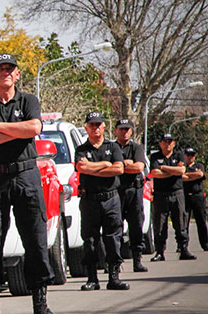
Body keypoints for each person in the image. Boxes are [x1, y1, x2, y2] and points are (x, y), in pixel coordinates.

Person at [0, 53, 60, 314]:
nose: (5, 73)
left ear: (17, 74)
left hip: (26, 177)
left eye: (10, 69)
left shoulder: (29, 101)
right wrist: (15, 132)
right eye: (0, 68)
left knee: (35, 240)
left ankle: (40, 304)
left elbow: (33, 128)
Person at [74, 112, 130, 291]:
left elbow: (119, 169)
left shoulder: (113, 148)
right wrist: (106, 165)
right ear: (86, 128)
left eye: (98, 124)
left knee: (113, 238)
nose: (95, 127)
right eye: (92, 125)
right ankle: (92, 278)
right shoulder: (81, 149)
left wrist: (93, 168)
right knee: (90, 240)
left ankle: (114, 277)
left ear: (104, 126)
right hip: (90, 200)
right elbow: (81, 167)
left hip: (111, 199)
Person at [149, 133, 195, 261]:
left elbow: (181, 171)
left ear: (174, 143)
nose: (168, 144)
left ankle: (183, 249)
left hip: (177, 193)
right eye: (165, 141)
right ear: (160, 143)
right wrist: (173, 171)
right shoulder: (155, 156)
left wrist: (163, 168)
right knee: (160, 224)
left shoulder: (179, 155)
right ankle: (159, 252)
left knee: (180, 222)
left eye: (170, 142)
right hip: (160, 195)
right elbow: (155, 173)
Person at [114, 119, 148, 272]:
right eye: (121, 129)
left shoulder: (136, 147)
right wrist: (126, 163)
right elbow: (110, 167)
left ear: (132, 131)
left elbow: (139, 167)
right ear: (116, 131)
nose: (124, 132)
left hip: (134, 191)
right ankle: (115, 261)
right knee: (115, 227)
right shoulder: (111, 147)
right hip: (116, 191)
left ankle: (137, 260)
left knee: (136, 225)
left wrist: (120, 165)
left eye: (127, 129)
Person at [182, 147, 207, 252]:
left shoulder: (199, 165)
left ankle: (205, 243)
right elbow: (180, 177)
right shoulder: (182, 166)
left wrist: (187, 175)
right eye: (188, 155)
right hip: (185, 196)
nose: (190, 157)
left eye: (192, 155)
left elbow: (200, 174)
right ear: (185, 156)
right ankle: (183, 246)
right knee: (184, 222)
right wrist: (192, 176)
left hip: (197, 196)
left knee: (201, 221)